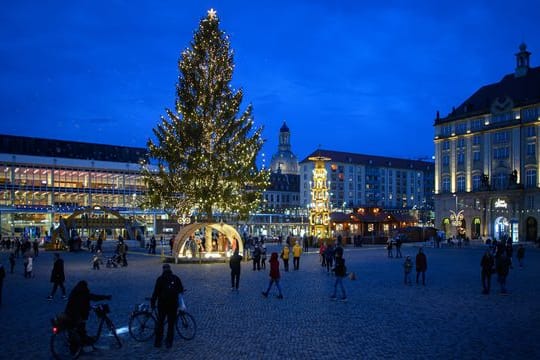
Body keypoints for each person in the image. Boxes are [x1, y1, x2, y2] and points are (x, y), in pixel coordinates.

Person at [64, 280, 111, 345]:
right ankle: (81, 342)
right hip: (77, 314)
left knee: (79, 327)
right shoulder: (83, 293)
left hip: (70, 312)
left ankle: (81, 338)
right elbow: (94, 297)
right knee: (81, 326)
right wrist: (106, 297)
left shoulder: (75, 292)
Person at [151, 263, 184, 348]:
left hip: (162, 305)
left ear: (163, 270)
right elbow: (181, 289)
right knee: (171, 324)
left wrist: (153, 302)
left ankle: (158, 342)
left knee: (160, 323)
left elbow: (156, 292)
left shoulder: (160, 279)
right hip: (173, 305)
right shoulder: (176, 278)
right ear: (170, 269)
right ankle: (169, 342)